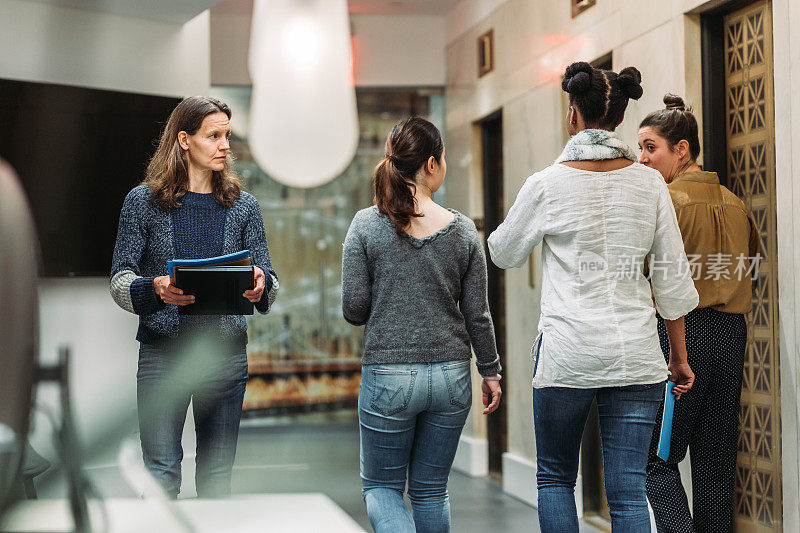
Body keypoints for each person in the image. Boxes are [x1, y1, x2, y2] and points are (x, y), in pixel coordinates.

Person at [487, 62, 699, 532]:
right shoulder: (650, 185)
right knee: (627, 490)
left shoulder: (546, 183)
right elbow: (670, 280)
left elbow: (502, 252)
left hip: (568, 352)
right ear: (621, 119)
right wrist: (679, 357)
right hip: (636, 355)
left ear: (571, 116)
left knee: (556, 479)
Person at [109, 96, 278, 498]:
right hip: (162, 357)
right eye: (213, 136)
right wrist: (155, 288)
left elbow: (269, 281)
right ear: (184, 140)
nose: (225, 146)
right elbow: (119, 280)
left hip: (225, 359)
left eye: (227, 136)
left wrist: (260, 285)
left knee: (217, 481)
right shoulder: (142, 202)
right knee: (162, 475)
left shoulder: (244, 207)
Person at [342, 117, 502, 533]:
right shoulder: (463, 230)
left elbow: (354, 309)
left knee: (382, 488)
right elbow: (478, 314)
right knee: (431, 490)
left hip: (389, 374)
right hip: (451, 375)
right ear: (431, 164)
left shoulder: (365, 224)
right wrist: (491, 372)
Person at [639, 94, 762, 532]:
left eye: (650, 147)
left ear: (682, 148)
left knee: (655, 458)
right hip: (731, 336)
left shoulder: (665, 201)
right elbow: (751, 268)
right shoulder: (735, 203)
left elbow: (646, 273)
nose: (643, 159)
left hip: (681, 340)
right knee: (714, 465)